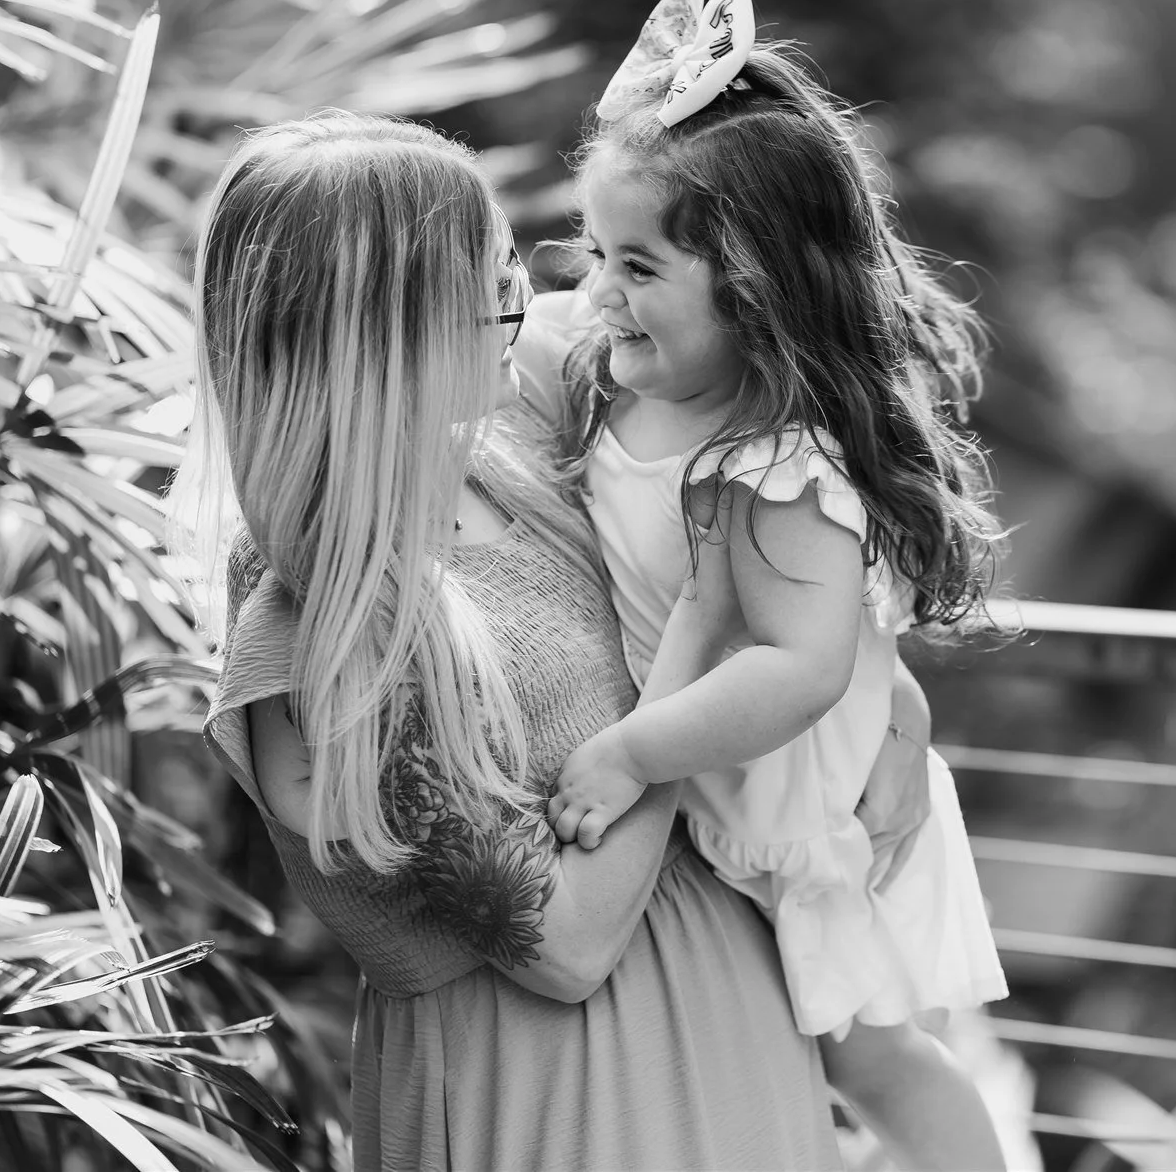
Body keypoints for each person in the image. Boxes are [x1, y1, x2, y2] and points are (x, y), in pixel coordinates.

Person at [176, 112, 859, 1171]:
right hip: (553, 1087)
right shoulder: (328, 617)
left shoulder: (514, 457)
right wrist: (698, 649)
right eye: (495, 285)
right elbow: (567, 944)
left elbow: (784, 583)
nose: (543, 308)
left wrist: (885, 705)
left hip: (727, 1006)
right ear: (387, 327)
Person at [536, 0, 1010, 1172]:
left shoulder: (775, 461)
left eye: (637, 268)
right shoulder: (619, 380)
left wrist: (631, 751)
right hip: (720, 787)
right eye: (595, 254)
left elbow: (804, 666)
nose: (598, 292)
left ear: (751, 292)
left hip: (800, 805)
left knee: (872, 1059)